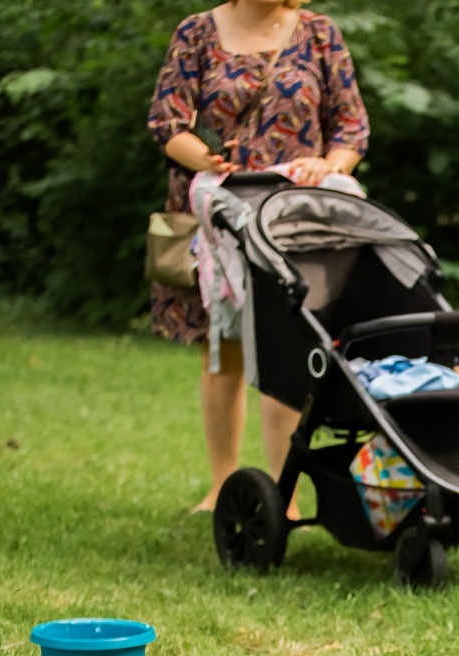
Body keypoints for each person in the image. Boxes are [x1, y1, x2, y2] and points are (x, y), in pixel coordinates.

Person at [147, 0, 370, 514]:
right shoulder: (197, 32)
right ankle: (223, 484)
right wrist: (205, 158)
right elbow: (167, 123)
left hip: (295, 218)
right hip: (220, 213)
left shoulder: (318, 33)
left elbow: (350, 126)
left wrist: (327, 166)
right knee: (222, 349)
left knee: (286, 347)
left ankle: (280, 490)